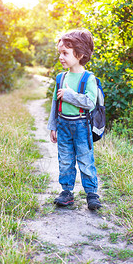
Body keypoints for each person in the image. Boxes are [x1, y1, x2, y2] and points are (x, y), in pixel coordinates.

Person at [47, 29, 102, 210]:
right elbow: (56, 102)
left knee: (85, 159)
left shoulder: (89, 78)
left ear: (80, 54)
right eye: (60, 53)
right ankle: (66, 192)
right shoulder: (61, 77)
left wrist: (70, 95)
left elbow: (90, 103)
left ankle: (92, 194)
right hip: (63, 124)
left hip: (81, 125)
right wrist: (53, 126)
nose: (61, 57)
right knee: (65, 160)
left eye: (65, 53)